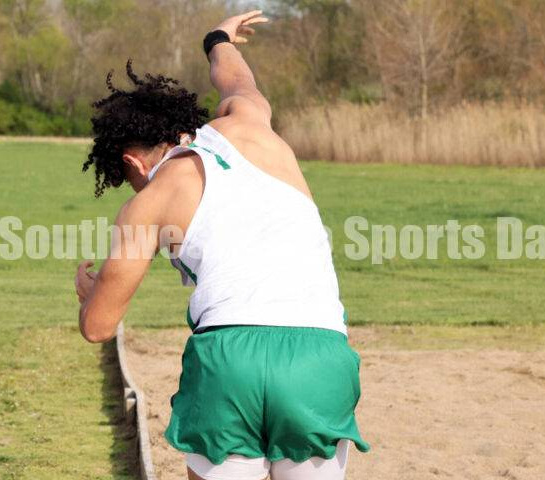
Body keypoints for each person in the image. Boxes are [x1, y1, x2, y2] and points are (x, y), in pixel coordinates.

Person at [76, 10, 369, 480]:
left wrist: (90, 295)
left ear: (131, 161)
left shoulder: (149, 201)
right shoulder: (250, 122)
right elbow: (237, 83)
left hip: (230, 359)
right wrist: (219, 40)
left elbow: (98, 327)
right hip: (320, 352)